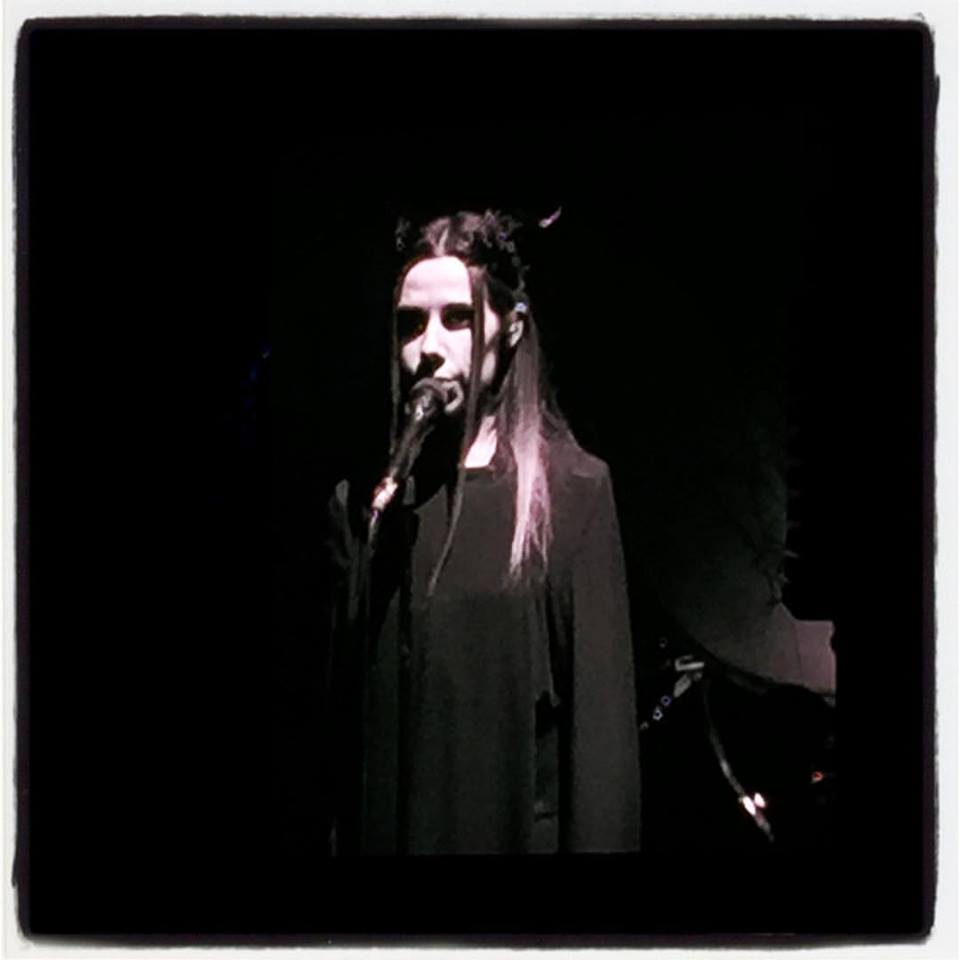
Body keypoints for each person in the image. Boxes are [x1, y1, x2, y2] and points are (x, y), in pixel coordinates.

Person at [323, 210, 640, 855]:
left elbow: (601, 747)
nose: (429, 347)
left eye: (458, 319)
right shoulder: (366, 506)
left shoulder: (569, 494)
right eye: (411, 323)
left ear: (511, 328)